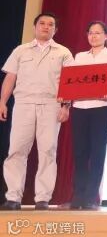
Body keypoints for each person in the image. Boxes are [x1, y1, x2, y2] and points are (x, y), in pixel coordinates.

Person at [0, 12, 73, 210]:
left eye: (51, 24)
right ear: (35, 27)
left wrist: (66, 106)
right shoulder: (20, 50)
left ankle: (43, 198)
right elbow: (10, 77)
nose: (46, 27)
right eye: (42, 23)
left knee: (48, 151)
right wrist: (2, 102)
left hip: (51, 105)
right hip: (23, 103)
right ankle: (13, 197)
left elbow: (69, 81)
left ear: (55, 30)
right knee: (16, 150)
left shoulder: (63, 52)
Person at [69, 21, 107, 211]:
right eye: (90, 32)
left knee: (98, 153)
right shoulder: (79, 56)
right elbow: (72, 80)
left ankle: (91, 197)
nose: (94, 36)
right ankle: (78, 195)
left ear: (106, 36)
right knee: (80, 153)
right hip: (79, 107)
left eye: (98, 33)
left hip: (101, 107)